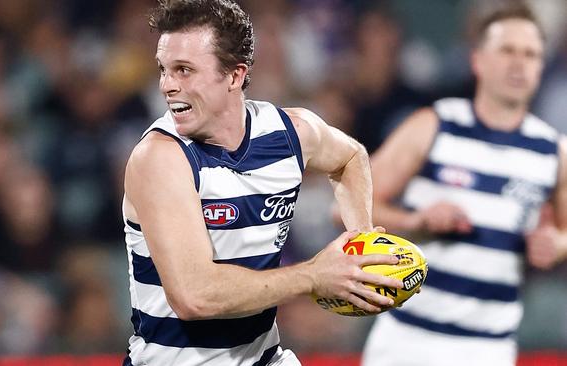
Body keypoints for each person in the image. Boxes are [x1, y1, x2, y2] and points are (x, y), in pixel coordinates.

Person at [121, 1, 404, 365]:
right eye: (164, 69)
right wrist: (314, 276)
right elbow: (195, 296)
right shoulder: (161, 157)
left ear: (235, 75)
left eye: (184, 70)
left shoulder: (290, 134)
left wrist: (360, 244)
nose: (167, 85)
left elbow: (351, 157)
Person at [361, 3, 567, 366]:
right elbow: (349, 206)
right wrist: (416, 223)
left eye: (531, 54)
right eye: (507, 51)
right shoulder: (435, 125)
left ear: (540, 67)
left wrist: (556, 246)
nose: (519, 63)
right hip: (407, 339)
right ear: (478, 60)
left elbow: (565, 235)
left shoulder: (553, 151)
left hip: (488, 348)